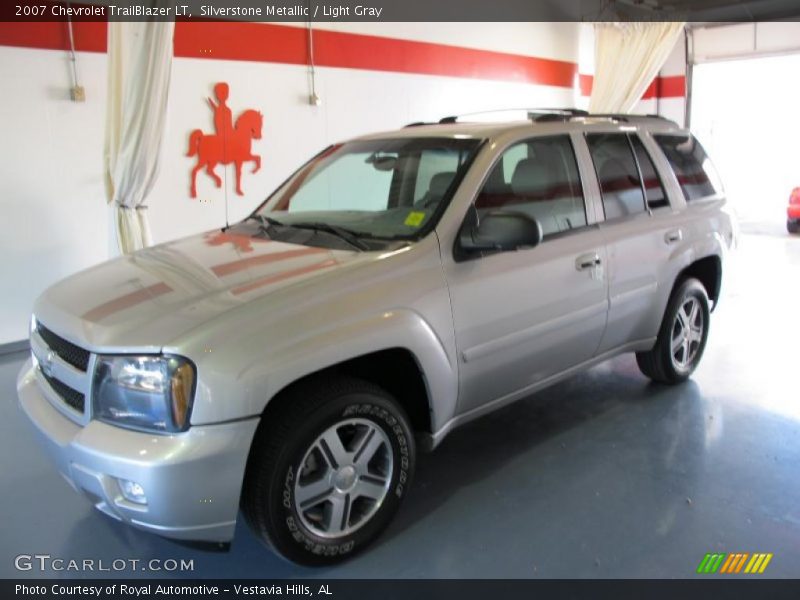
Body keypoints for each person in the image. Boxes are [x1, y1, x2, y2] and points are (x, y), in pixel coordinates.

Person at [207, 82, 233, 150]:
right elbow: (219, 125)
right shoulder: (219, 111)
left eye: (225, 92)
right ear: (217, 95)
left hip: (229, 134)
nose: (223, 94)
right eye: (221, 92)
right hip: (223, 136)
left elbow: (230, 125)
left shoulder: (228, 110)